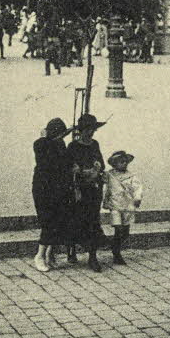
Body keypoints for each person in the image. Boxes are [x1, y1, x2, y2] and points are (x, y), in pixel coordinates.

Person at [66, 114, 107, 272]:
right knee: (76, 219)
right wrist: (82, 171)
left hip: (93, 189)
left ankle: (92, 257)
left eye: (92, 130)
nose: (90, 133)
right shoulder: (73, 147)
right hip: (78, 190)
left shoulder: (95, 144)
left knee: (93, 222)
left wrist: (97, 168)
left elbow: (101, 164)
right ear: (81, 130)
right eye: (87, 130)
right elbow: (70, 167)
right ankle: (72, 249)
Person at [31, 117, 74, 273]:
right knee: (48, 221)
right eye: (58, 134)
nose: (60, 137)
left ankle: (50, 255)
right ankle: (39, 256)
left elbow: (65, 163)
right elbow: (46, 160)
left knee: (59, 220)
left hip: (60, 188)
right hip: (44, 188)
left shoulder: (59, 143)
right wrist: (46, 137)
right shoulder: (41, 144)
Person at [102, 150, 144, 265]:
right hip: (115, 205)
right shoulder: (109, 175)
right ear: (114, 164)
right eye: (121, 162)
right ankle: (116, 253)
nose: (124, 164)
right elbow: (102, 182)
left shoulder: (131, 176)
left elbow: (137, 187)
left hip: (127, 205)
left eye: (125, 162)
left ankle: (115, 246)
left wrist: (137, 197)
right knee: (118, 229)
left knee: (125, 232)